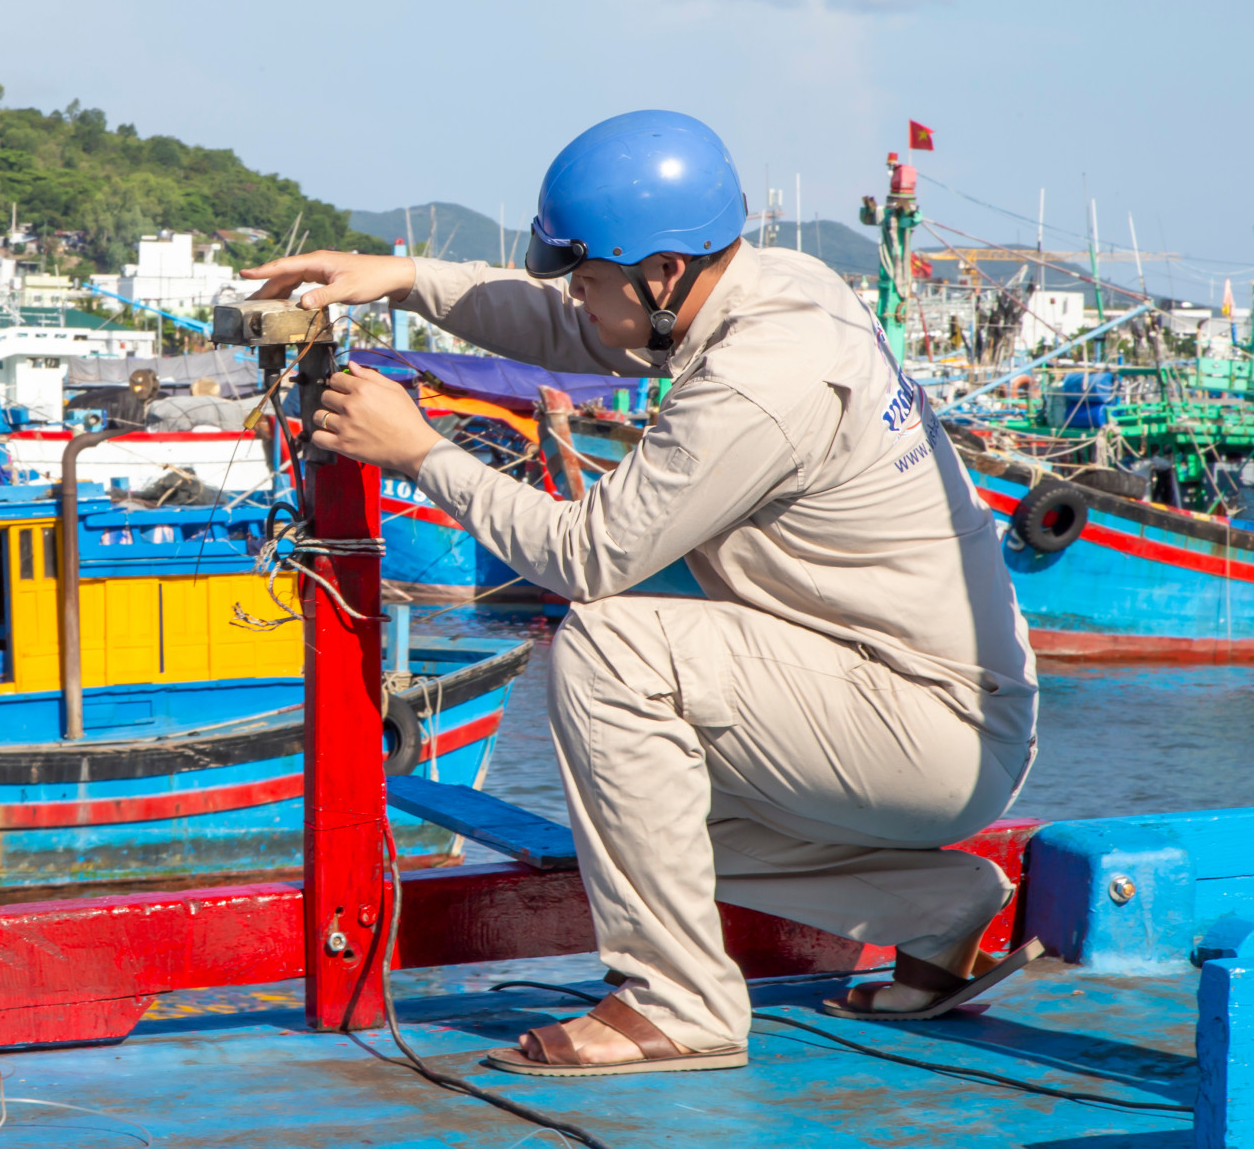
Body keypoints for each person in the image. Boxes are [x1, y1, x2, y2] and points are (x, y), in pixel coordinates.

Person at [243, 110, 1039, 1077]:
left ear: (662, 275)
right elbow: (566, 329)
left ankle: (680, 1003)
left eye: (588, 279)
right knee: (637, 814)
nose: (578, 303)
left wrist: (422, 451)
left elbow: (588, 558)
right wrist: (407, 279)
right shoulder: (769, 287)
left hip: (929, 725)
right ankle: (938, 909)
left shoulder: (759, 380)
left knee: (611, 647)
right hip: (911, 705)